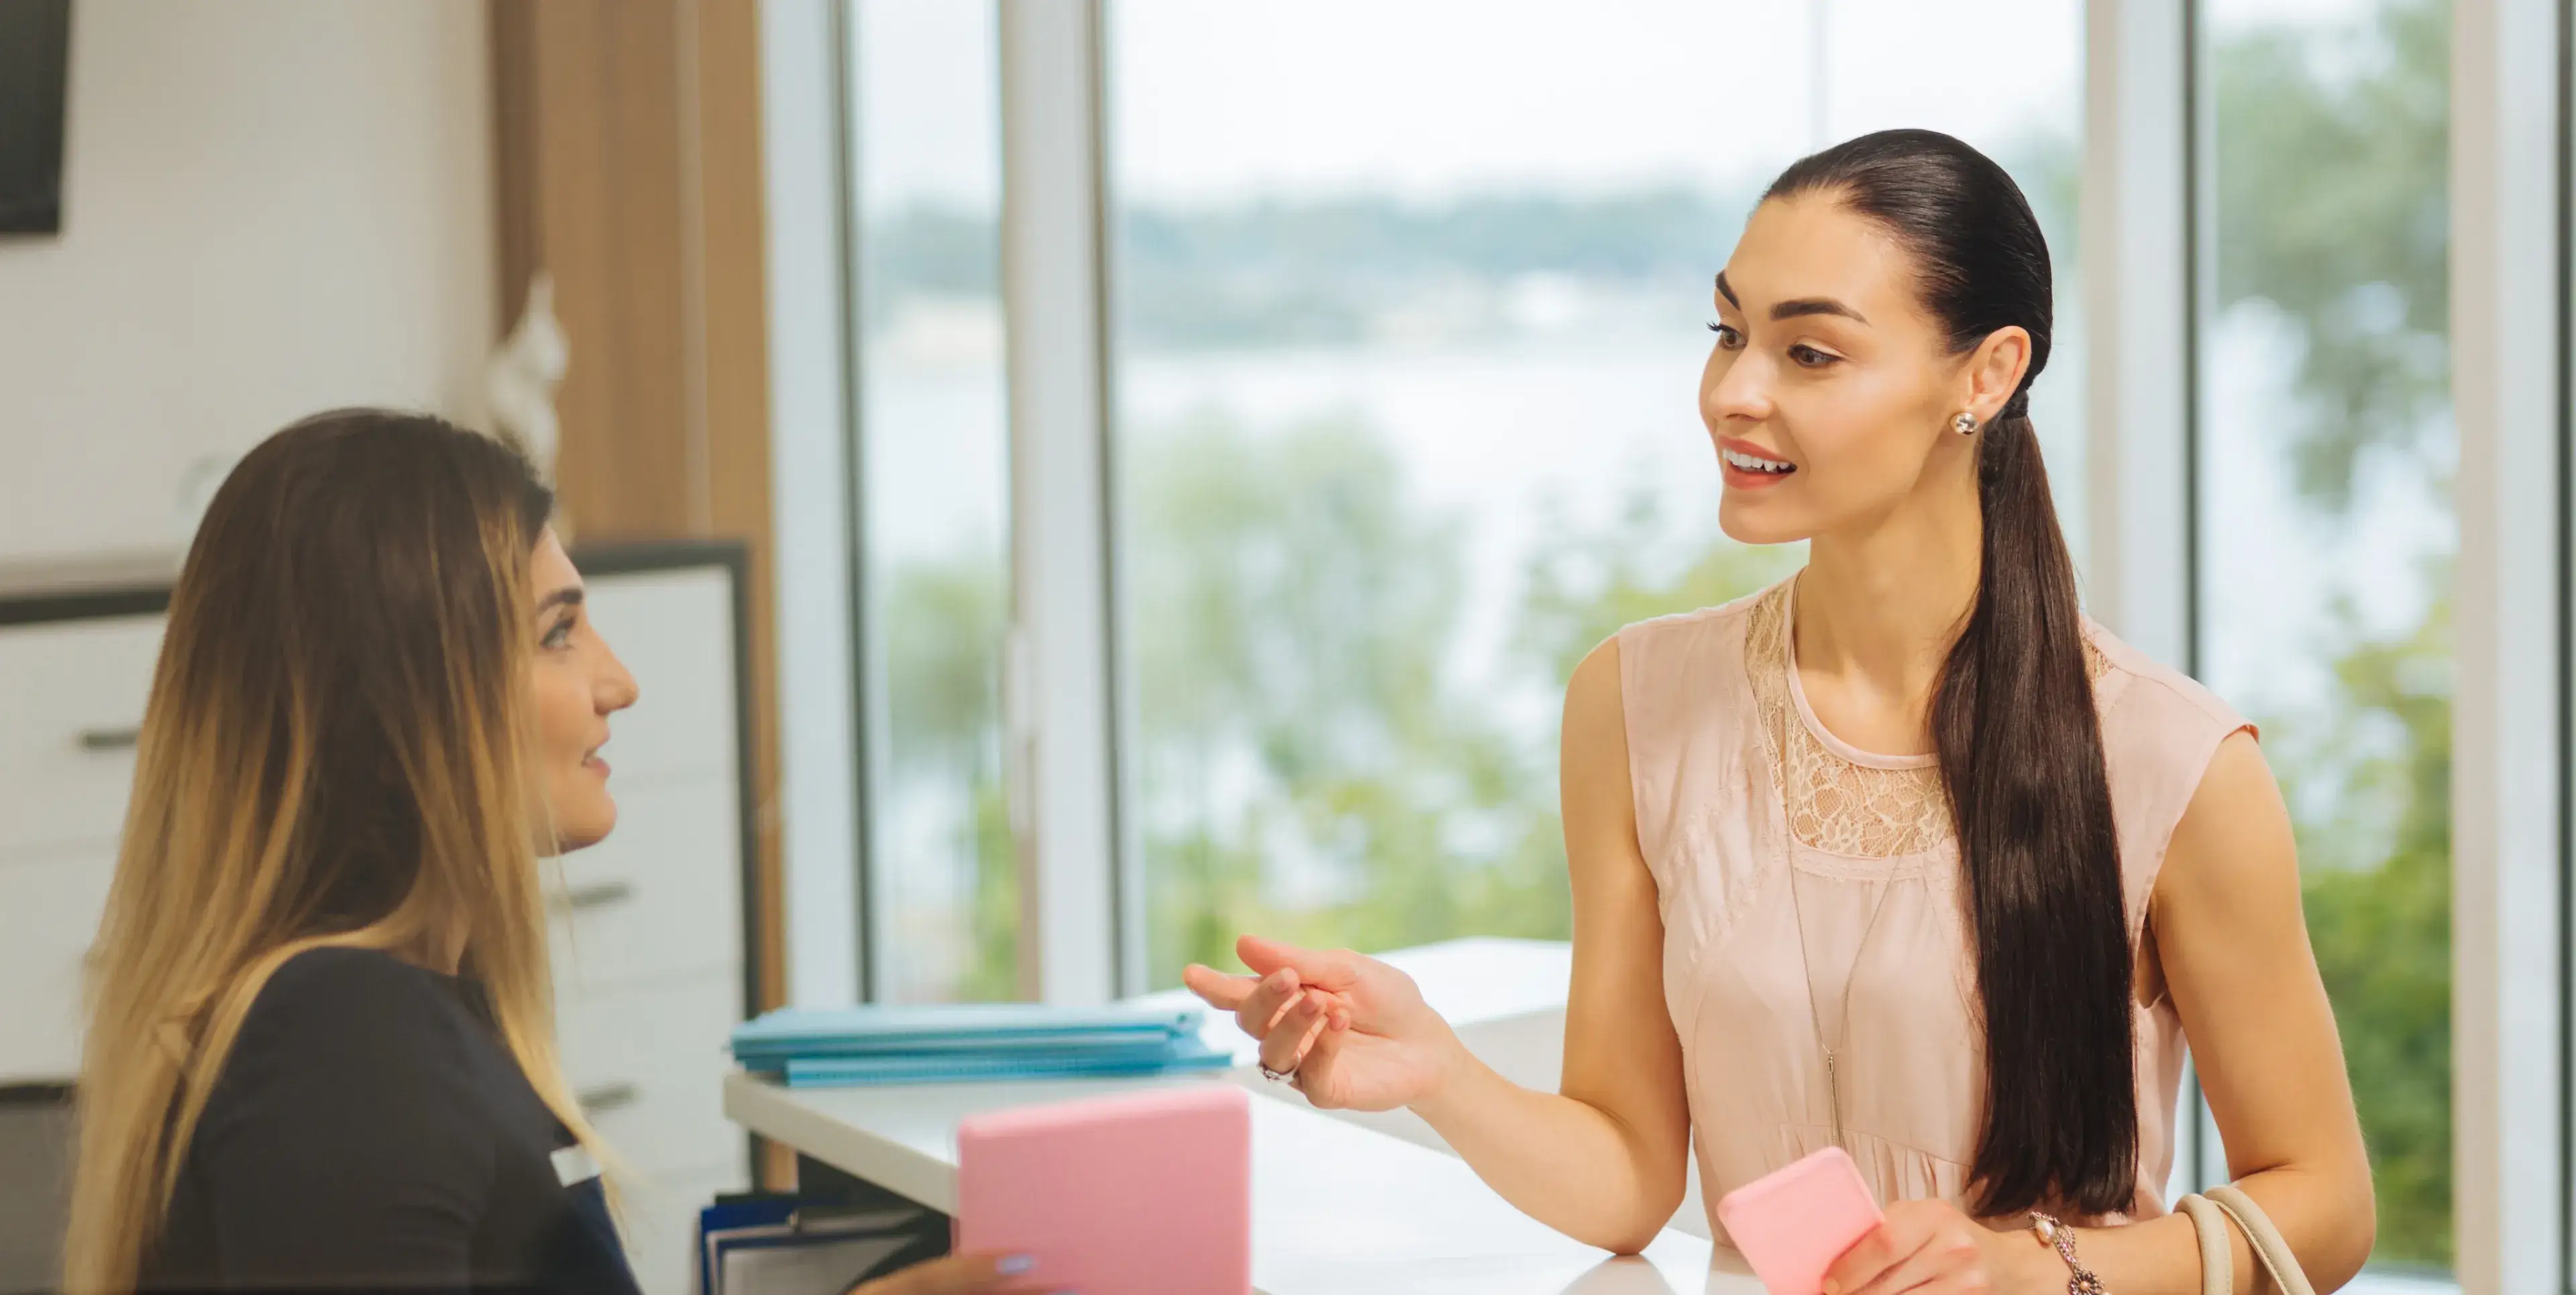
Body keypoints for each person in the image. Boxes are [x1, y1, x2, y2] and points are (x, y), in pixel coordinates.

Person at [1186, 130, 2377, 1294]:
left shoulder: (2173, 760)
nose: (1733, 394)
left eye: (1810, 354)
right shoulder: (1635, 703)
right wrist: (1437, 1068)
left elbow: (2324, 1201)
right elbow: (1629, 1175)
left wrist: (2040, 1267)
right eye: (1728, 332)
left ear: (1988, 372)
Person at [62, 412, 1051, 1295]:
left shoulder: (414, 1007)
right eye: (559, 633)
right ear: (399, 703)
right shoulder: (346, 1042)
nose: (616, 682)